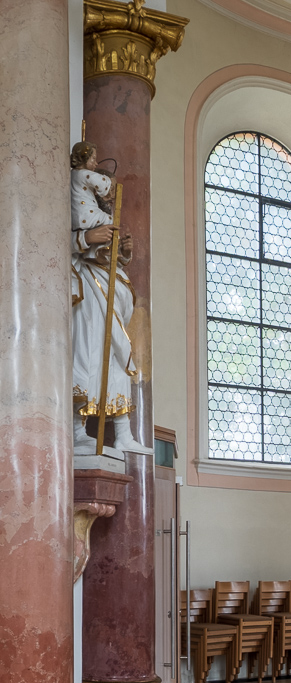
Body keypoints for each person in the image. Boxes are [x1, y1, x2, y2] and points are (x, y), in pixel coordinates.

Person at [70, 141, 141, 454]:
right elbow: (51, 241)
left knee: (115, 358)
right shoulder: (73, 201)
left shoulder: (99, 213)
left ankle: (124, 433)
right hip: (89, 293)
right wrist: (86, 238)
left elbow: (106, 256)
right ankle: (77, 430)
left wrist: (122, 253)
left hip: (111, 289)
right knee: (85, 357)